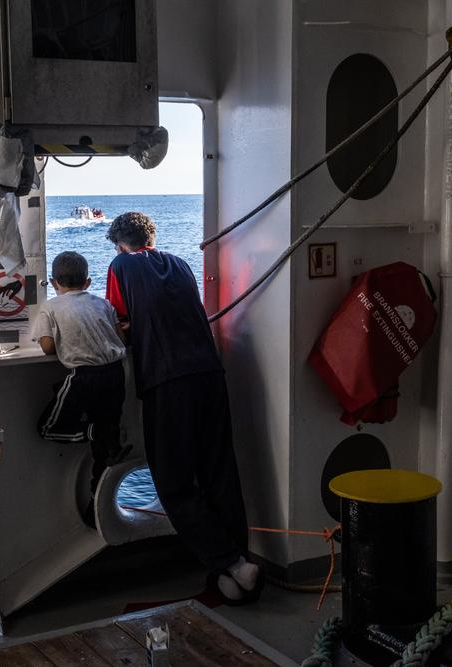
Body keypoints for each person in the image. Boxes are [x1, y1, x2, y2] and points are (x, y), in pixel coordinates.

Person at [104, 212, 262, 604]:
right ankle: (237, 569)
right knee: (219, 473)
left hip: (167, 380)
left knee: (174, 483)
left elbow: (116, 319)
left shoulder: (121, 265)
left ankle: (231, 562)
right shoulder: (180, 263)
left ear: (121, 244)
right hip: (209, 373)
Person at [32, 251, 130, 527]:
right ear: (87, 282)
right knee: (104, 450)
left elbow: (48, 347)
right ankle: (96, 512)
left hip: (84, 377)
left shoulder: (51, 307)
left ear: (53, 283)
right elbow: (120, 337)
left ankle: (96, 431)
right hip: (116, 375)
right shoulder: (102, 304)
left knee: (47, 428)